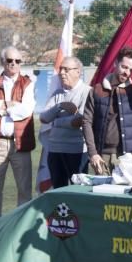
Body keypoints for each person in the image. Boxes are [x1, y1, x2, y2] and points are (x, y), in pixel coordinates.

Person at [81, 47, 132, 175]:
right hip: (102, 155)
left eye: (131, 69)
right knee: (103, 193)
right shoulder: (97, 90)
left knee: (125, 194)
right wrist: (93, 153)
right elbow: (87, 122)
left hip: (128, 156)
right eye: (124, 67)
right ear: (116, 63)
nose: (127, 72)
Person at [0, 46, 36, 221]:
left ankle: (19, 227)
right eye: (10, 60)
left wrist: (0, 107)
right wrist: (9, 104)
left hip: (20, 143)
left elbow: (26, 110)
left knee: (24, 189)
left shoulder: (28, 83)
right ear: (3, 62)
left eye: (17, 61)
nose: (13, 64)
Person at [39, 56, 90, 188]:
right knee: (58, 191)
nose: (61, 73)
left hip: (76, 151)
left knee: (77, 192)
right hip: (55, 150)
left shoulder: (86, 92)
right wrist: (60, 106)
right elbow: (44, 118)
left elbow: (79, 121)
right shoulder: (57, 93)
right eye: (61, 69)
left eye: (66, 69)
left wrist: (56, 121)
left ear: (78, 71)